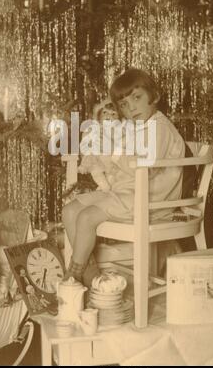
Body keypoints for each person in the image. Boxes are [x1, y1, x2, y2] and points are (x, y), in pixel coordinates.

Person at [62, 68, 186, 285]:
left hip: (152, 200)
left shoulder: (160, 127)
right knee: (70, 210)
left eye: (137, 98)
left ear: (154, 96)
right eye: (124, 105)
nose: (132, 108)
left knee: (86, 217)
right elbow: (118, 164)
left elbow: (145, 168)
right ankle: (92, 278)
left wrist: (115, 153)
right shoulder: (136, 127)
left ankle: (73, 274)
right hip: (126, 193)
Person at [79, 98, 120, 191]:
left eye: (113, 114)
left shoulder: (119, 129)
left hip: (111, 157)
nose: (108, 115)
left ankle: (108, 185)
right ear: (99, 116)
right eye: (105, 112)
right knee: (95, 170)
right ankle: (104, 185)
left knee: (113, 172)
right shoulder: (94, 128)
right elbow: (86, 142)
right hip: (97, 156)